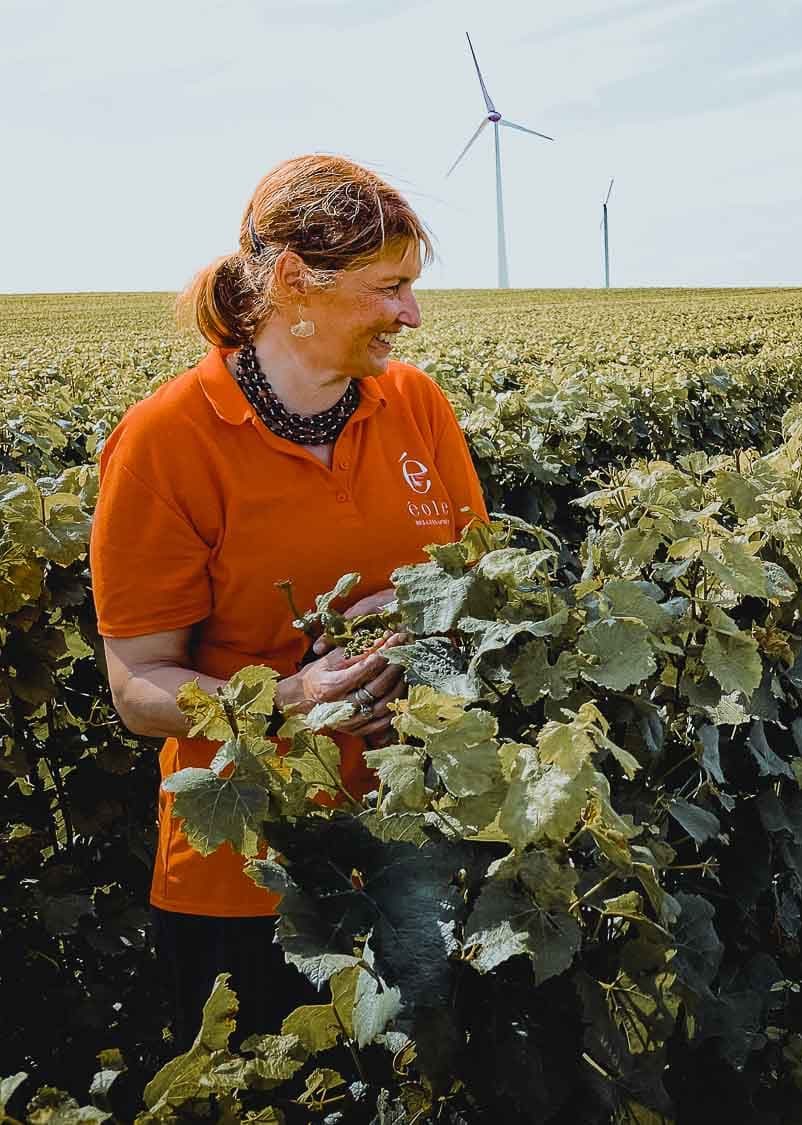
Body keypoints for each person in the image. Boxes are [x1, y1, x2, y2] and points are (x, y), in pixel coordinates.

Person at [91, 154, 489, 1042]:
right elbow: (139, 685)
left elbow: (483, 586)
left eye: (412, 288)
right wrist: (295, 698)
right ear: (293, 284)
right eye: (389, 288)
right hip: (248, 878)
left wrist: (416, 613)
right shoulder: (167, 441)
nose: (410, 315)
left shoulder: (418, 405)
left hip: (416, 838)